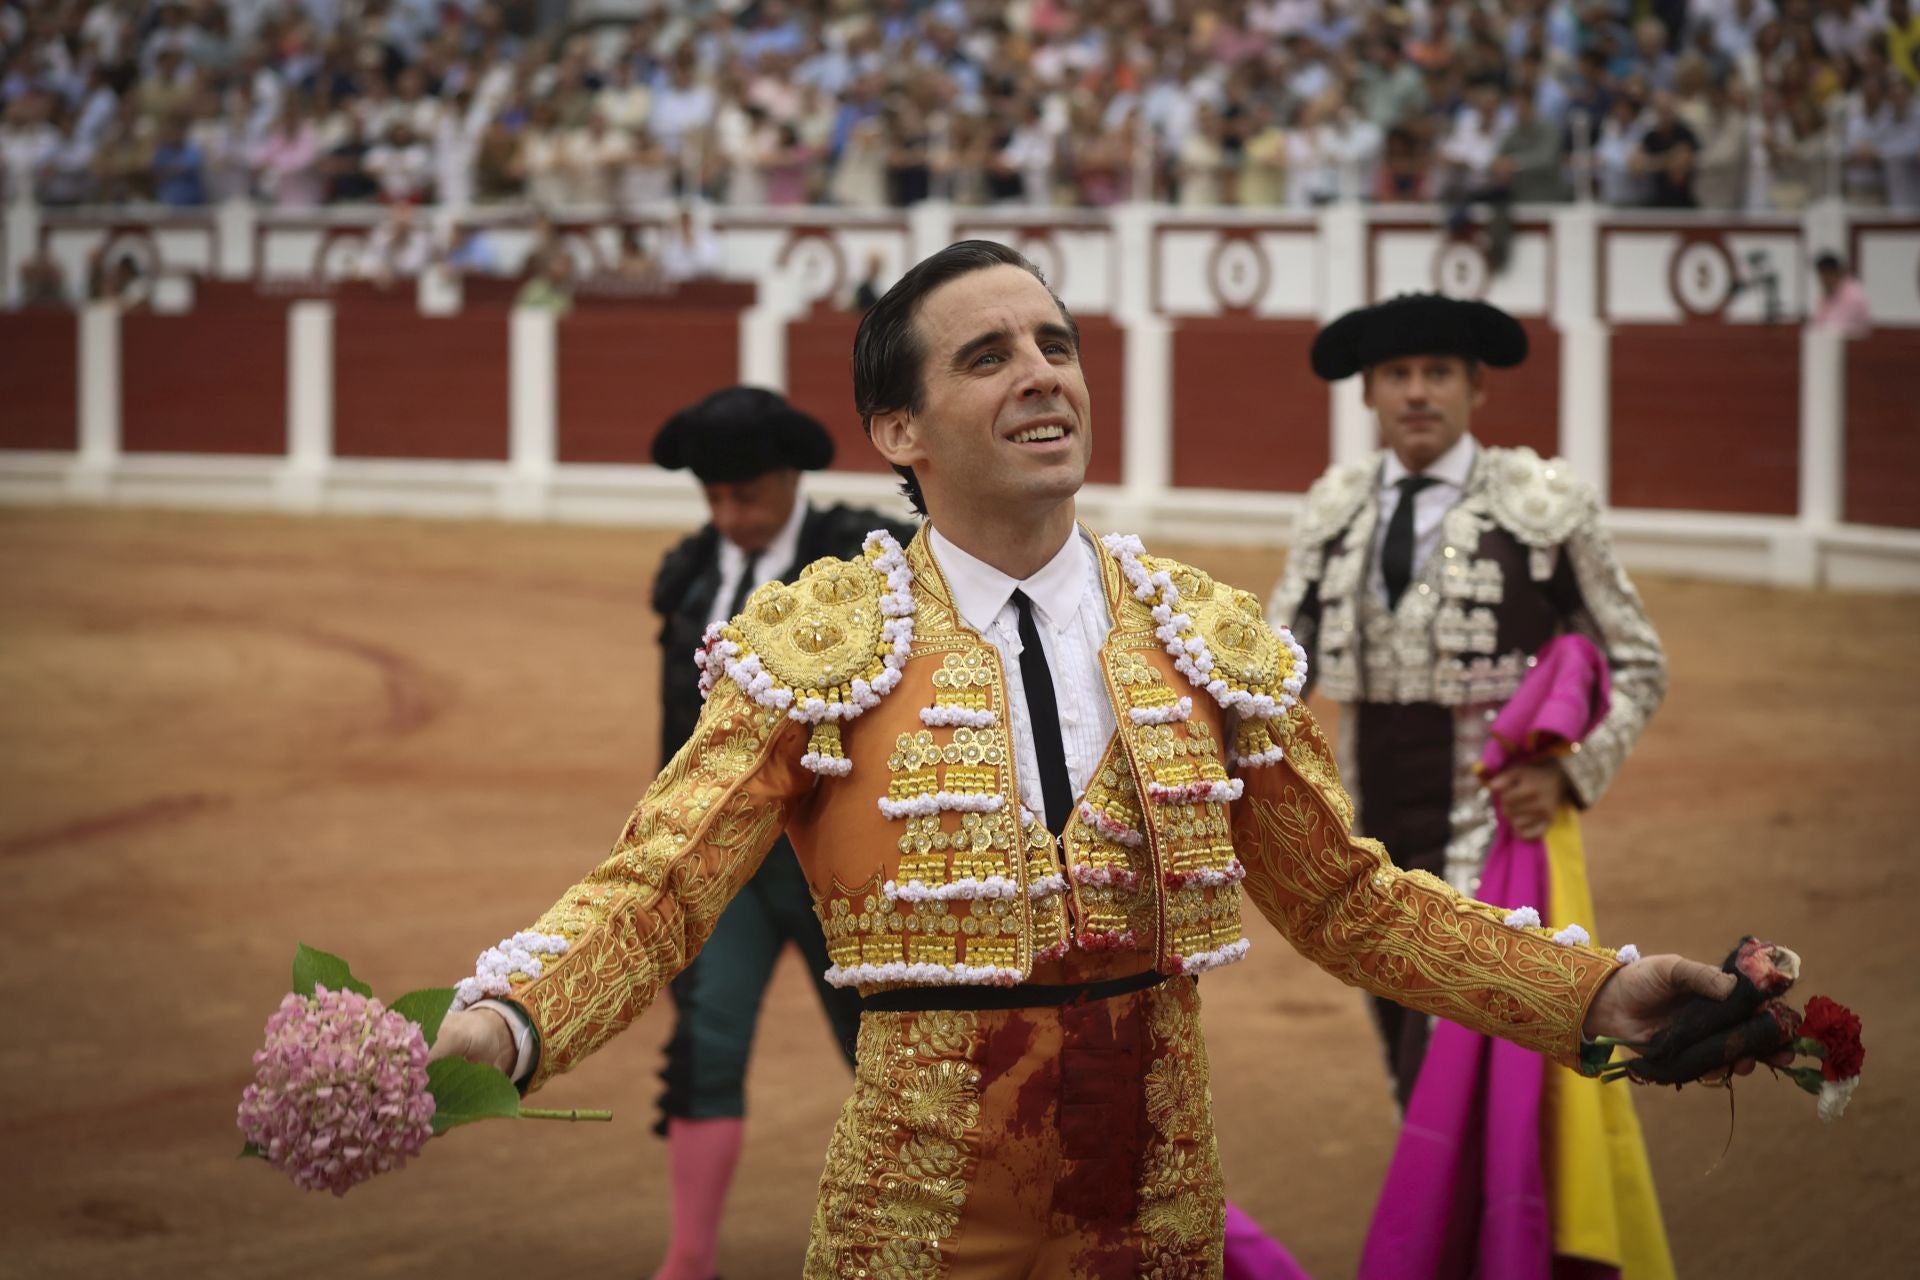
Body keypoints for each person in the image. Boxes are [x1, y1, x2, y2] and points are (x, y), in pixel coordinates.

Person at [428, 242, 1766, 1276]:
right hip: (917, 1227)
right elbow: (658, 893)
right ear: (900, 432)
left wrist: (1594, 993)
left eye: (1057, 345)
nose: (1042, 374)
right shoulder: (813, 645)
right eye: (988, 355)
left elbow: (1351, 901)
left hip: (1159, 1221)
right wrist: (496, 1026)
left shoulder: (1201, 637)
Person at [1270, 294, 1672, 1277]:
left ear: (1475, 386)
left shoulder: (1541, 504)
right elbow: (1275, 669)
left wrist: (1572, 768)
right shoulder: (1333, 511)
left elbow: (1640, 660)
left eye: (1438, 372)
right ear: (1369, 391)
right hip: (1364, 854)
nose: (1417, 392)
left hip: (1496, 846)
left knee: (1462, 1076)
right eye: (1399, 375)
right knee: (1419, 1076)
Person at [643, 387, 912, 1280]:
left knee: (896, 1055)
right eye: (714, 497)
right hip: (734, 863)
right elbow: (678, 734)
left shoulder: (869, 561)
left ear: (790, 478)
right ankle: (687, 1260)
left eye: (746, 496)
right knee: (705, 1043)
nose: (730, 515)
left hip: (842, 860)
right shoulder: (689, 573)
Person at [1811, 251, 1874, 337]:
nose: (1823, 280)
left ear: (1837, 272)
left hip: (1855, 346)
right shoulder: (1827, 294)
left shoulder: (1853, 294)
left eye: (1826, 275)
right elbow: (1817, 324)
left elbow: (1838, 327)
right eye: (1821, 276)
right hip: (1831, 344)